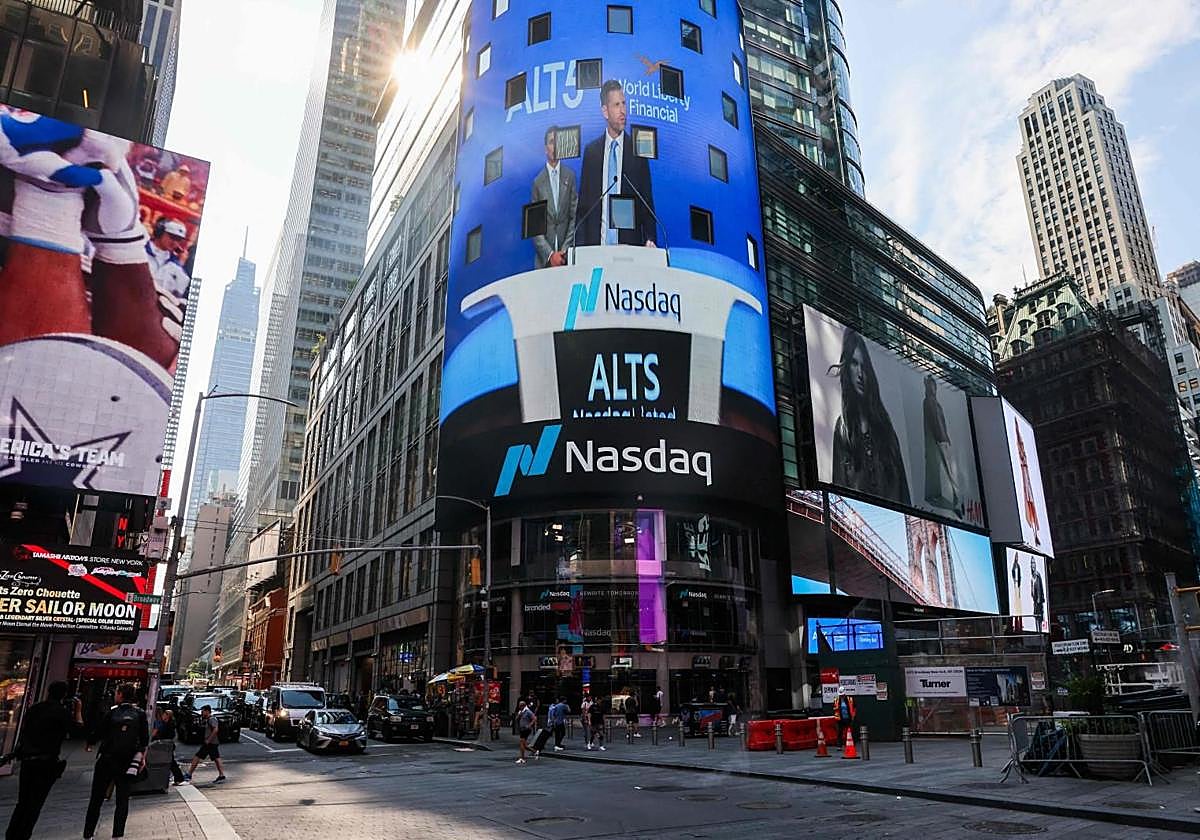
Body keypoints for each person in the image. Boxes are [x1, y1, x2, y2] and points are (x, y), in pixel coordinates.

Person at [829, 328, 910, 505]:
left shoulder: (885, 427)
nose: (860, 374)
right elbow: (839, 489)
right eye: (854, 364)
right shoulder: (842, 430)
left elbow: (904, 492)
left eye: (864, 366)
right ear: (846, 367)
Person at [575, 80, 656, 247]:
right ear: (605, 111)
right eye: (617, 105)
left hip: (628, 250)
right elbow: (583, 207)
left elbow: (647, 202)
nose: (623, 111)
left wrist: (650, 238)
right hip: (595, 249)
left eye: (624, 104)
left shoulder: (637, 151)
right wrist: (580, 246)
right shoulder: (592, 152)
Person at [4, 681, 82, 840]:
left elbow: (24, 733)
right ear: (64, 695)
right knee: (35, 803)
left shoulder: (35, 708)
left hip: (27, 761)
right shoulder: (62, 712)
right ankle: (23, 835)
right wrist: (78, 711)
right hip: (46, 763)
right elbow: (77, 731)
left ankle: (12, 835)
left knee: (23, 802)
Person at [82, 683, 148, 840]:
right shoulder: (140, 714)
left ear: (120, 695)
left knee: (96, 799)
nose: (115, 695)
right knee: (122, 800)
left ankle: (88, 834)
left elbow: (99, 732)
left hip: (107, 759)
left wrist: (89, 742)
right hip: (127, 762)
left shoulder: (112, 712)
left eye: (116, 693)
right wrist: (141, 757)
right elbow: (144, 739)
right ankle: (117, 835)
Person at [531, 125, 578, 268]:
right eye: (552, 142)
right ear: (546, 148)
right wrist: (551, 255)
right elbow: (535, 228)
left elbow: (574, 217)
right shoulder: (538, 182)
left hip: (566, 259)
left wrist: (563, 252)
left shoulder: (570, 176)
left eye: (558, 141)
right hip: (544, 262)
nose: (555, 145)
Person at [922, 375, 962, 515]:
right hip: (937, 441)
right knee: (940, 470)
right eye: (930, 385)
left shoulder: (935, 403)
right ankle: (949, 499)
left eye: (934, 386)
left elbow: (941, 422)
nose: (933, 388)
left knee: (949, 471)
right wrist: (939, 438)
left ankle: (957, 500)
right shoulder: (928, 402)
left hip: (942, 440)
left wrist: (946, 437)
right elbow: (932, 422)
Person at [145, 216, 192, 303]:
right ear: (160, 232)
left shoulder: (177, 267)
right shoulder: (139, 251)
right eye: (172, 237)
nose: (175, 243)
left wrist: (181, 264)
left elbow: (179, 295)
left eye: (178, 240)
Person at [183, 705, 226, 784]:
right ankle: (221, 775)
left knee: (197, 756)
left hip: (210, 742)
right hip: (212, 742)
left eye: (203, 711)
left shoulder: (212, 719)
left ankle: (189, 774)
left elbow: (216, 729)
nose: (201, 713)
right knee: (216, 758)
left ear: (207, 711)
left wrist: (208, 740)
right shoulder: (207, 720)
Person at [152, 709, 186, 786]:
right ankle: (177, 778)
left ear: (168, 716)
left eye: (164, 714)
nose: (162, 716)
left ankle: (179, 778)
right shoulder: (164, 723)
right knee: (170, 762)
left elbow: (169, 735)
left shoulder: (169, 725)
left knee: (171, 762)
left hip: (166, 746)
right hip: (163, 745)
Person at [515, 700, 536, 765]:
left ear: (523, 706)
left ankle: (522, 758)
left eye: (520, 705)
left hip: (526, 729)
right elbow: (516, 719)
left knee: (521, 742)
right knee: (524, 745)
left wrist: (529, 725)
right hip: (522, 729)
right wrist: (519, 715)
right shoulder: (521, 711)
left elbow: (534, 718)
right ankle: (535, 751)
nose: (519, 707)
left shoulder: (528, 711)